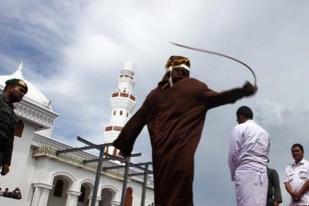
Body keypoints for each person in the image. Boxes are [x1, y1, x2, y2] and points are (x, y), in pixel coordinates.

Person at [113, 56, 257, 206]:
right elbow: (221, 97)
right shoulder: (195, 88)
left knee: (163, 196)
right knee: (181, 196)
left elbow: (137, 119)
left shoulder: (155, 95)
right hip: (182, 157)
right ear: (185, 71)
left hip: (161, 158)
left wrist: (124, 147)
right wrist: (243, 91)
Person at [228, 106, 270, 206]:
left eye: (237, 118)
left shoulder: (239, 128)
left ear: (240, 116)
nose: (237, 121)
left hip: (246, 172)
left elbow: (233, 154)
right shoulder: (265, 133)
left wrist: (234, 173)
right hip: (262, 174)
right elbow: (266, 155)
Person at [0, 78, 28, 176]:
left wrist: (6, 162)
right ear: (10, 87)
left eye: (24, 93)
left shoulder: (13, 114)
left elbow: (10, 139)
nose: (22, 95)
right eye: (21, 90)